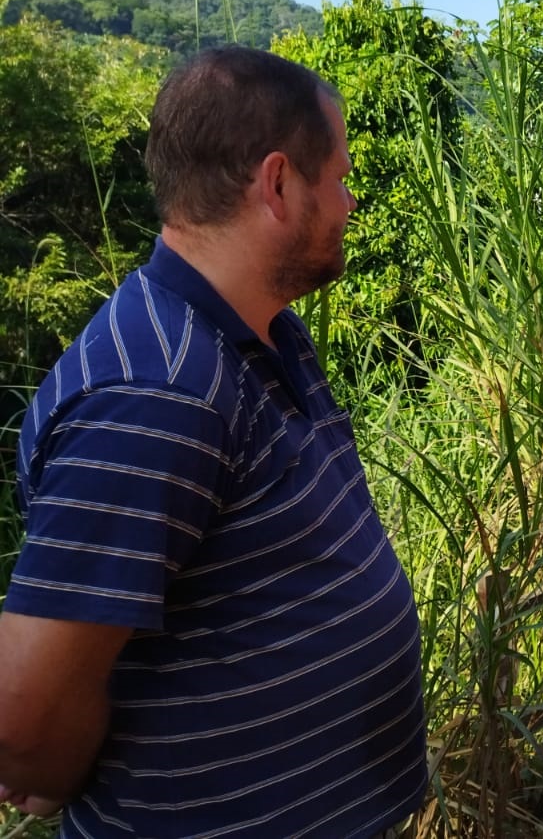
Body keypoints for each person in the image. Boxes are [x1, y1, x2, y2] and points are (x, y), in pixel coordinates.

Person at [0, 48, 427, 833]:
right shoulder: (153, 393)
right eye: (337, 176)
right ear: (276, 184)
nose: (351, 199)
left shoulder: (260, 332)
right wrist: (54, 769)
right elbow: (25, 720)